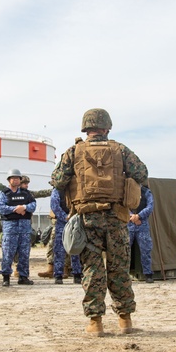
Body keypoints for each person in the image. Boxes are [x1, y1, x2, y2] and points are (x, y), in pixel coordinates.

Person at [51, 108, 148, 336]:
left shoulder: (74, 151)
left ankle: (96, 323)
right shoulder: (120, 150)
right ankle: (125, 321)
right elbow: (142, 173)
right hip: (116, 217)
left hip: (87, 218)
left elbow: (57, 180)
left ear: (86, 128)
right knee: (119, 268)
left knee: (92, 269)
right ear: (107, 127)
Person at [0, 169, 36, 287]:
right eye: (13, 178)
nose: (15, 180)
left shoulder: (26, 193)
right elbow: (1, 208)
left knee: (24, 253)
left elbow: (33, 205)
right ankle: (6, 277)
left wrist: (24, 207)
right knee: (8, 252)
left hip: (24, 227)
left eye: (17, 178)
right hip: (10, 227)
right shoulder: (3, 193)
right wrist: (16, 209)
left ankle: (23, 277)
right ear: (9, 180)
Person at [49, 187, 82, 285]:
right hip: (62, 222)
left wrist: (75, 216)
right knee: (59, 249)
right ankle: (58, 275)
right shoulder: (58, 190)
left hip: (76, 220)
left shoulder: (77, 186)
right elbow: (54, 205)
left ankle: (77, 274)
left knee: (76, 247)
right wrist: (65, 217)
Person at [128, 184, 154, 283]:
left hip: (142, 224)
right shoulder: (127, 190)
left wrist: (139, 216)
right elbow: (121, 205)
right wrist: (132, 217)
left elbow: (150, 206)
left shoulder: (146, 192)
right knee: (125, 250)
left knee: (146, 249)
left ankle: (148, 274)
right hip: (128, 224)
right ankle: (124, 274)